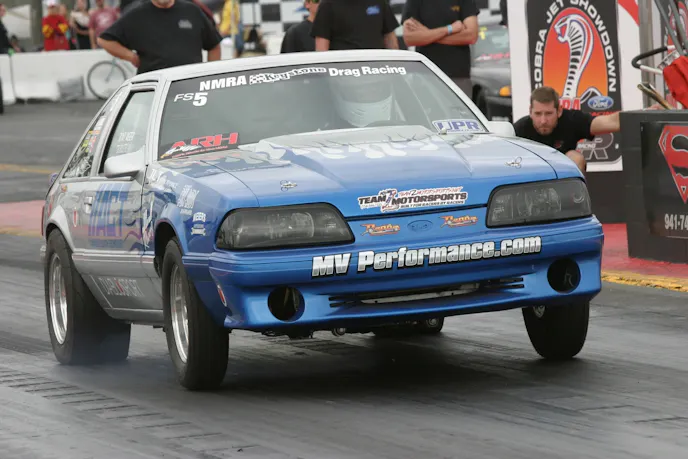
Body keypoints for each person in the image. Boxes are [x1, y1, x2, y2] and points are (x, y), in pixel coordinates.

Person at [514, 86, 664, 174]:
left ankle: (573, 206)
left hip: (561, 175)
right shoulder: (519, 129)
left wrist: (646, 113)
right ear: (530, 111)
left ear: (559, 111)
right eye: (538, 114)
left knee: (576, 158)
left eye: (548, 114)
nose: (543, 120)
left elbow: (610, 121)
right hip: (531, 175)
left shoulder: (571, 120)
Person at [97, 0, 222, 75]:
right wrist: (130, 56)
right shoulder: (137, 15)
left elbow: (214, 45)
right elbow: (105, 40)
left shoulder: (192, 11)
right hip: (154, 90)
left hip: (190, 85)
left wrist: (208, 75)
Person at [401, 0, 479, 96]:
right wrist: (449, 29)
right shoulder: (415, 2)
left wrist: (427, 34)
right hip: (425, 76)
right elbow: (410, 39)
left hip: (458, 77)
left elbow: (471, 36)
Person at [310, 0, 399, 51]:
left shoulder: (379, 2)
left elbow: (390, 39)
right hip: (343, 71)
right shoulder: (328, 5)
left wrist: (395, 65)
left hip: (376, 68)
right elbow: (322, 48)